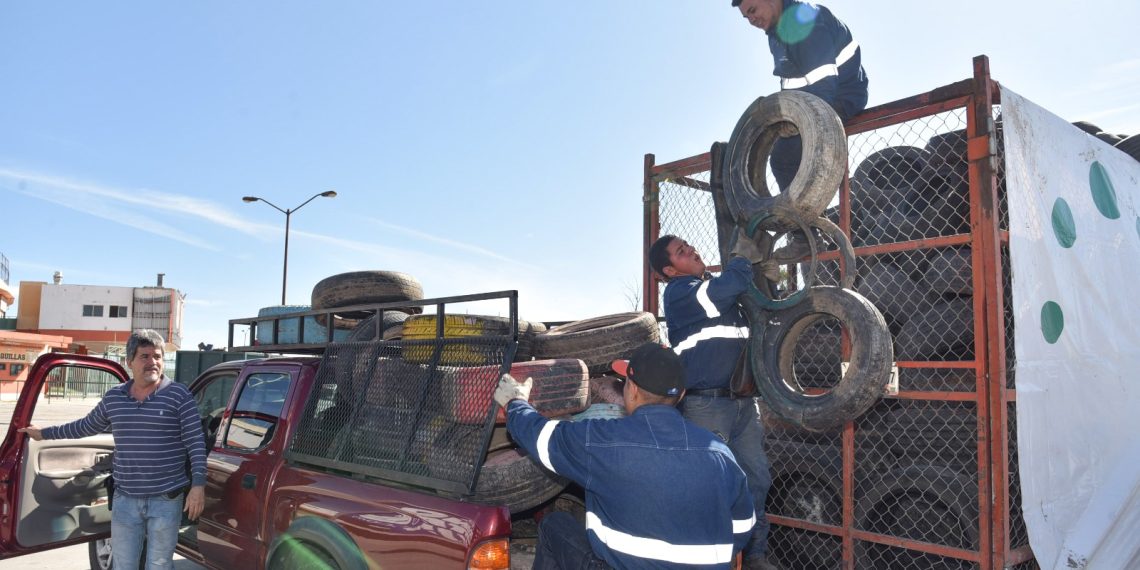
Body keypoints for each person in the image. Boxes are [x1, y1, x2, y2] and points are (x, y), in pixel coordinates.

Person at [495, 342, 755, 569]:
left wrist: (515, 402)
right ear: (682, 395)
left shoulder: (602, 442)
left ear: (630, 389)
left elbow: (540, 437)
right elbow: (743, 528)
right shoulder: (721, 454)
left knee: (554, 526)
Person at [20, 329, 207, 570]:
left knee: (159, 564)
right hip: (125, 499)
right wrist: (44, 433)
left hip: (166, 498)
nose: (153, 362)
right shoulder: (114, 398)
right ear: (129, 362)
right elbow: (85, 427)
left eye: (158, 356)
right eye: (145, 356)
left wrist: (198, 486)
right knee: (123, 564)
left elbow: (196, 441)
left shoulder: (179, 395)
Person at [648, 231, 778, 570]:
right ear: (670, 271)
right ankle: (709, 560)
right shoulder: (681, 294)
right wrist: (742, 259)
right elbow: (724, 287)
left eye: (687, 245)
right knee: (710, 485)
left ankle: (753, 554)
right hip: (706, 408)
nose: (690, 249)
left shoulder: (717, 295)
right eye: (680, 251)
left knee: (756, 479)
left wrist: (764, 277)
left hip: (743, 404)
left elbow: (756, 308)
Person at [733, 0, 869, 192]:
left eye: (753, 10)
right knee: (772, 145)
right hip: (811, 103)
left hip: (840, 97)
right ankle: (807, 211)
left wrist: (801, 124)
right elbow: (790, 87)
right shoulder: (776, 34)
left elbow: (823, 83)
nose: (751, 20)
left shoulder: (803, 19)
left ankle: (803, 216)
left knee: (784, 158)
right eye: (747, 17)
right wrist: (781, 121)